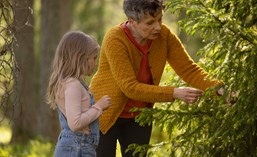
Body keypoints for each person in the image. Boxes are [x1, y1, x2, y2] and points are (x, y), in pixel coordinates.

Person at [89, 0, 222, 156]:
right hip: (104, 112)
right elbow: (129, 87)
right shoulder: (115, 39)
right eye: (150, 23)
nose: (158, 27)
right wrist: (174, 93)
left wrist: (220, 89)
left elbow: (189, 70)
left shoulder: (164, 36)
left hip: (139, 115)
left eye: (160, 19)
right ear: (132, 22)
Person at [46, 31, 112, 157]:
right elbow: (75, 123)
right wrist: (99, 106)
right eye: (93, 58)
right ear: (80, 58)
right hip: (77, 147)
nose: (95, 63)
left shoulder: (72, 83)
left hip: (77, 146)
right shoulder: (73, 85)